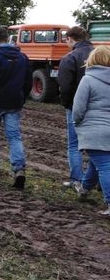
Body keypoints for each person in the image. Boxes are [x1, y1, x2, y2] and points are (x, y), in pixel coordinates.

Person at [0, 26, 32, 189]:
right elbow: (28, 82)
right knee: (14, 136)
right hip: (14, 103)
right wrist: (21, 98)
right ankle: (19, 169)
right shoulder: (22, 57)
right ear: (9, 39)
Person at [72, 45, 110, 216]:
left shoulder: (88, 80)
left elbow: (78, 108)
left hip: (94, 130)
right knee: (97, 162)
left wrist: (77, 123)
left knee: (104, 165)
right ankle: (85, 190)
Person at [57, 25, 94, 191]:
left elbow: (64, 87)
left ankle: (76, 180)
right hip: (99, 108)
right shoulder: (100, 55)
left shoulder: (70, 57)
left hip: (76, 107)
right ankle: (96, 181)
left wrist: (67, 104)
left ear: (70, 39)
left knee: (74, 145)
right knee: (98, 145)